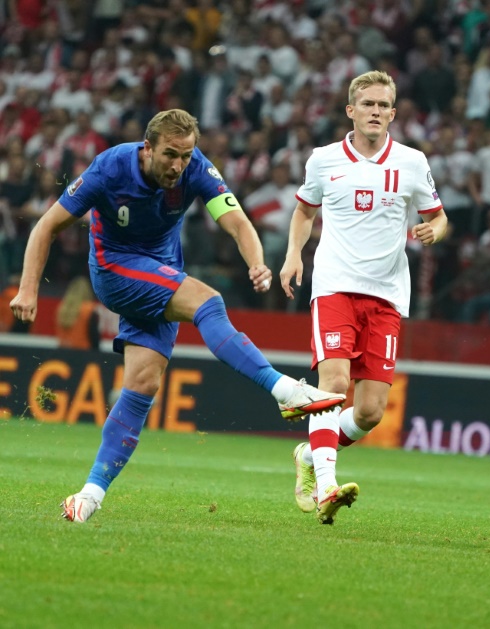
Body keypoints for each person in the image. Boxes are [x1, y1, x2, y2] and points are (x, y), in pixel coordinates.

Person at [9, 109, 345, 523]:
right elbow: (45, 227)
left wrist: (256, 262)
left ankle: (88, 496)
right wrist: (28, 288)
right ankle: (285, 391)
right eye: (170, 154)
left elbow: (237, 222)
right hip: (115, 270)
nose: (178, 165)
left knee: (143, 384)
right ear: (147, 148)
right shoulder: (111, 167)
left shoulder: (196, 167)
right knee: (208, 301)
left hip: (162, 273)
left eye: (185, 156)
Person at [280, 71, 448, 525]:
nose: (375, 111)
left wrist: (434, 230)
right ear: (351, 110)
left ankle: (309, 456)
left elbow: (438, 215)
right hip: (334, 286)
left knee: (371, 411)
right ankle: (327, 488)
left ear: (393, 113)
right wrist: (293, 255)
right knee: (333, 386)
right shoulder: (323, 159)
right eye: (368, 104)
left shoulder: (412, 162)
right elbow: (304, 211)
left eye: (383, 105)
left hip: (388, 294)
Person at [54, 275, 100, 350]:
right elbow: (94, 338)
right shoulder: (89, 309)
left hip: (62, 352)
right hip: (83, 353)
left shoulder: (62, 308)